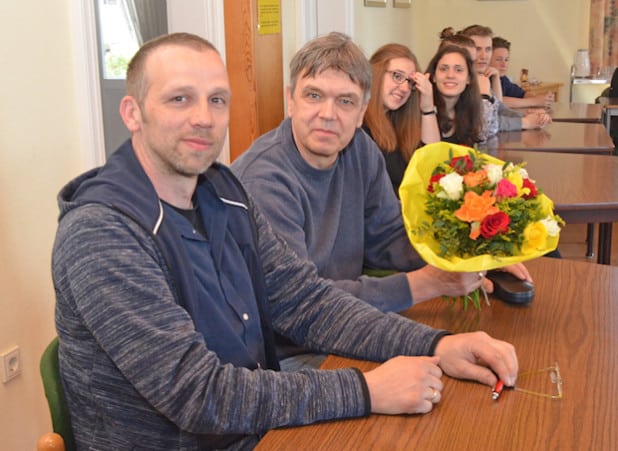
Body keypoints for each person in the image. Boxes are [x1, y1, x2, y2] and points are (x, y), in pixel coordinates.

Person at [52, 32, 520, 450]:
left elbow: (307, 302)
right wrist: (366, 390)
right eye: (179, 99)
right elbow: (198, 394)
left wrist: (435, 344)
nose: (202, 118)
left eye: (217, 100)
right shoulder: (101, 232)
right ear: (133, 113)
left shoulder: (222, 194)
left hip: (255, 424)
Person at [231, 32, 529, 363]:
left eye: (345, 101)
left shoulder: (359, 148)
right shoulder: (264, 180)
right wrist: (428, 284)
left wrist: (468, 255)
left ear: (362, 112)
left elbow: (387, 235)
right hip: (287, 352)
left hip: (347, 324)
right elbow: (300, 307)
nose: (328, 114)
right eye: (313, 95)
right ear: (291, 100)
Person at [362, 43, 440, 194]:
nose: (405, 88)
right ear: (376, 73)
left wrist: (428, 108)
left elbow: (432, 164)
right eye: (397, 76)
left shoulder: (399, 121)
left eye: (410, 82)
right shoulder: (359, 125)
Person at [460, 24, 552, 132]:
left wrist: (527, 116)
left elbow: (498, 109)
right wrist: (525, 122)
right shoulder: (459, 81)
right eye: (478, 49)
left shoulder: (481, 77)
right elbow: (484, 123)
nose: (484, 56)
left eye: (488, 49)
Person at [426, 44, 485, 147]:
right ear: (434, 76)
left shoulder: (469, 111)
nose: (450, 75)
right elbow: (430, 154)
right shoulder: (422, 109)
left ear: (468, 78)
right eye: (443, 69)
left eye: (458, 70)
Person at [490, 36, 554, 109]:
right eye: (499, 60)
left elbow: (522, 94)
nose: (504, 64)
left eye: (506, 60)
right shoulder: (483, 79)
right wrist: (535, 101)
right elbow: (498, 101)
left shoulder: (503, 79)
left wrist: (542, 98)